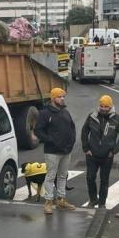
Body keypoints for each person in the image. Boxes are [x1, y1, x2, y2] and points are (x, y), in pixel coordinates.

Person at [34, 87, 76, 215]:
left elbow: (72, 127)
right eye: (59, 96)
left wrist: (71, 142)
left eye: (63, 96)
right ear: (53, 98)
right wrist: (50, 140)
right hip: (52, 151)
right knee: (51, 176)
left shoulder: (65, 112)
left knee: (63, 175)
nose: (62, 99)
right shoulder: (45, 113)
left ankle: (61, 200)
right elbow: (38, 130)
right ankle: (48, 202)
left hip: (66, 150)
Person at [81, 95, 119, 208]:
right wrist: (86, 148)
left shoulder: (118, 119)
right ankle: (93, 199)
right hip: (92, 154)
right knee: (90, 177)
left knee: (104, 180)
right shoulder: (91, 117)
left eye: (106, 107)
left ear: (111, 106)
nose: (104, 109)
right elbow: (84, 132)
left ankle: (102, 203)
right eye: (101, 106)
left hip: (107, 156)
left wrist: (114, 151)